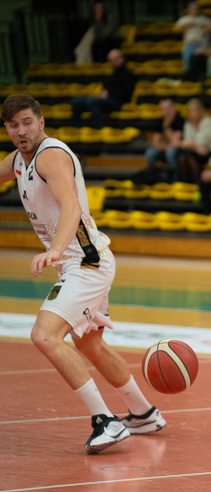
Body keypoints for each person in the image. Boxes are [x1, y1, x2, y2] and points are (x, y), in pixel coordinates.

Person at [0, 94, 166, 454]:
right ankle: (143, 413)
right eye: (13, 125)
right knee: (89, 343)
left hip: (85, 263)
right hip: (82, 263)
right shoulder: (18, 159)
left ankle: (105, 421)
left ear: (41, 122)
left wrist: (55, 250)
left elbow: (72, 205)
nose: (21, 130)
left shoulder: (50, 155)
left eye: (27, 122)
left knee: (44, 336)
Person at [70, 49, 135, 129]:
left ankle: (100, 128)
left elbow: (126, 94)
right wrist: (101, 94)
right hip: (105, 99)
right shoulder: (112, 74)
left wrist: (108, 94)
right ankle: (77, 128)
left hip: (118, 102)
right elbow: (105, 88)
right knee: (76, 101)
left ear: (122, 58)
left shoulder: (128, 74)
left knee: (91, 101)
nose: (114, 61)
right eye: (111, 60)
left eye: (116, 59)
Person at [177, 98, 211, 183]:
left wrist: (189, 145)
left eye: (194, 110)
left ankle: (197, 183)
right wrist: (196, 147)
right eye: (190, 110)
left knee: (190, 156)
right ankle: (187, 184)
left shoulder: (208, 122)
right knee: (183, 157)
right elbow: (186, 142)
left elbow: (201, 142)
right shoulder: (188, 124)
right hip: (197, 152)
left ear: (200, 110)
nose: (192, 112)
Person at [143, 98, 184, 183]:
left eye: (167, 108)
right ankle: (152, 177)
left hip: (179, 151)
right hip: (165, 149)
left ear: (172, 107)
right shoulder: (160, 121)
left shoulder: (180, 120)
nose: (165, 111)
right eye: (163, 109)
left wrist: (166, 127)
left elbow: (175, 141)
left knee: (171, 153)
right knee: (150, 153)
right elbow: (155, 143)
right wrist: (166, 147)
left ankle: (176, 179)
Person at [174, 2, 211, 75]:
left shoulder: (203, 18)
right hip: (190, 44)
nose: (195, 10)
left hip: (202, 44)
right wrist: (189, 23)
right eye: (193, 9)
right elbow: (176, 28)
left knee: (204, 62)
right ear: (188, 10)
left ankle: (204, 77)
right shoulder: (185, 18)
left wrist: (206, 29)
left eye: (196, 9)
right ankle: (189, 77)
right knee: (187, 60)